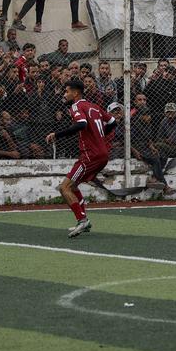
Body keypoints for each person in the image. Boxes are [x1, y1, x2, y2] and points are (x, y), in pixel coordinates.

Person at [46, 79, 117, 238]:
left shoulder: (76, 106)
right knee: (73, 186)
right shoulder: (94, 106)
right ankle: (83, 219)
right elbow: (113, 122)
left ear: (75, 92)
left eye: (67, 91)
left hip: (90, 155)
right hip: (102, 154)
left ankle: (82, 220)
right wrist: (100, 137)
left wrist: (57, 135)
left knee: (64, 188)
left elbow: (82, 124)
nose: (65, 95)